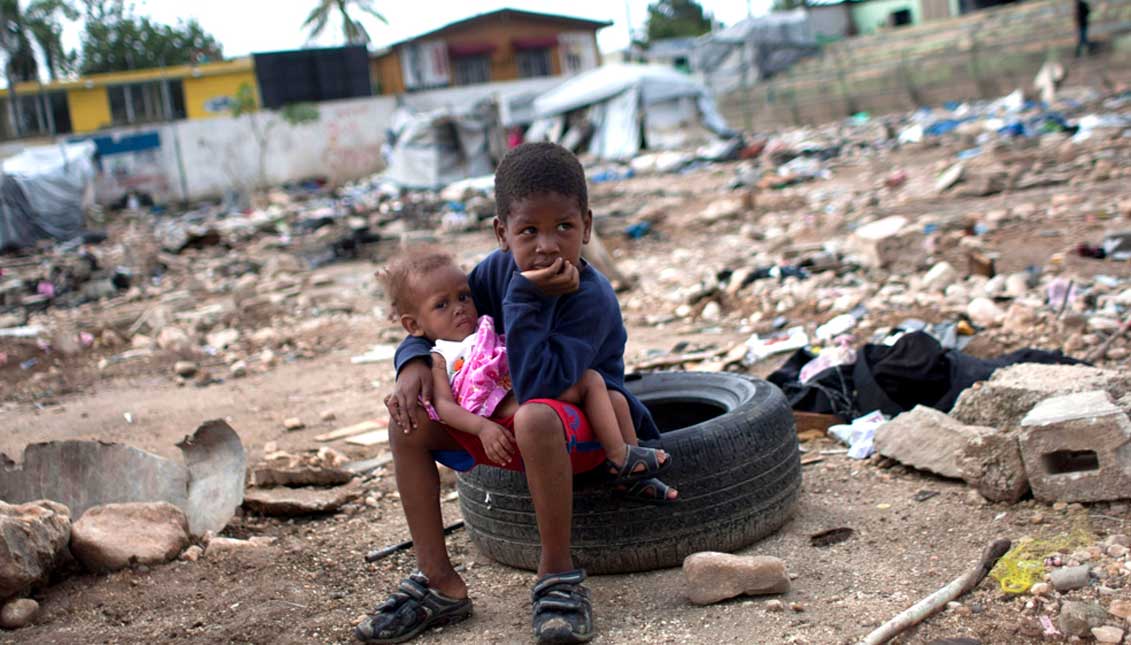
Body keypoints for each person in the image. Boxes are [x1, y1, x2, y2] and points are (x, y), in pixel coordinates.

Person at [355, 143, 667, 645]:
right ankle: (440, 585)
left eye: (564, 227)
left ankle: (557, 576)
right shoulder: (494, 271)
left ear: (586, 227)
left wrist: (525, 296)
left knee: (535, 415)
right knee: (405, 422)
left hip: (578, 434)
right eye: (528, 231)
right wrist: (411, 361)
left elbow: (539, 385)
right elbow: (441, 319)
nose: (548, 246)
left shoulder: (590, 298)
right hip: (503, 424)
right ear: (502, 233)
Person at [375, 249, 677, 501]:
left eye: (464, 297)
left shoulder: (485, 325)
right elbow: (444, 406)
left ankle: (631, 471)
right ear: (414, 326)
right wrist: (482, 428)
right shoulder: (439, 356)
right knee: (591, 382)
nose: (460, 309)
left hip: (522, 392)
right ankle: (620, 457)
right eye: (442, 305)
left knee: (614, 397)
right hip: (500, 414)